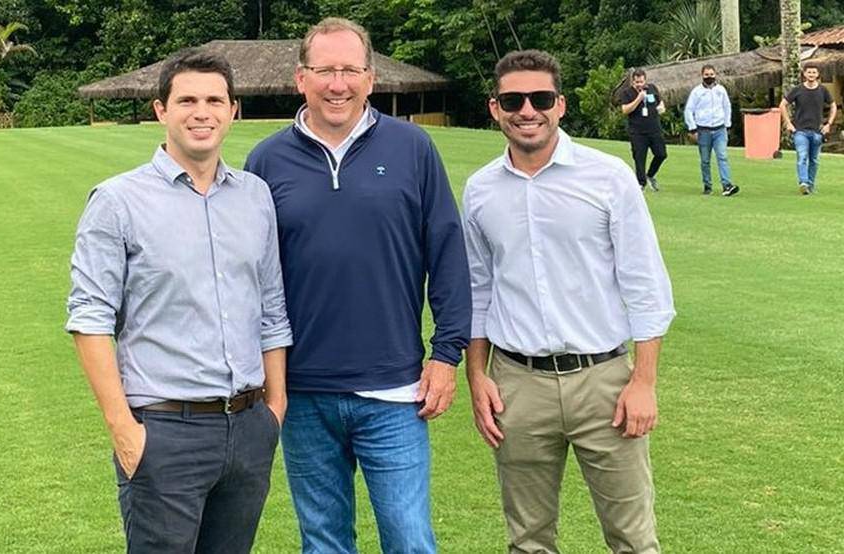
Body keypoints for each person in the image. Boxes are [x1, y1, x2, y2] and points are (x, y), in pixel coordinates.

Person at [244, 17, 471, 554]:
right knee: (323, 543)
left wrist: (446, 354)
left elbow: (446, 253)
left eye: (350, 70)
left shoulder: (413, 148)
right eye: (325, 70)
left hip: (394, 389)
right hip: (303, 391)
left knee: (409, 540)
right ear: (301, 78)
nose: (337, 84)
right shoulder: (266, 161)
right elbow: (250, 277)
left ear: (371, 77)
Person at [65, 50, 292, 553]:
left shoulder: (255, 197)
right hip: (165, 433)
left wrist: (274, 409)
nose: (201, 112)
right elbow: (89, 319)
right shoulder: (118, 202)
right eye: (187, 100)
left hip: (249, 428)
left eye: (214, 100)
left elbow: (272, 311)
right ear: (160, 110)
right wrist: (124, 430)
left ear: (233, 111)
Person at [464, 49, 675, 554]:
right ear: (495, 109)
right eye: (513, 101)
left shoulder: (608, 177)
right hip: (517, 384)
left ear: (560, 105)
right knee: (528, 542)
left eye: (540, 99)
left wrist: (644, 382)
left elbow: (645, 282)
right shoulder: (480, 190)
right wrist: (476, 375)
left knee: (633, 540)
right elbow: (477, 289)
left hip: (603, 381)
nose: (527, 111)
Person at [779, 63, 837, 195]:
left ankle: (810, 186)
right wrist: (788, 123)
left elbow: (833, 105)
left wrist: (829, 124)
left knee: (814, 160)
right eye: (809, 72)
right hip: (800, 131)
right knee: (802, 157)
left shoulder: (823, 90)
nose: (811, 74)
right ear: (804, 74)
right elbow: (782, 105)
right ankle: (803, 183)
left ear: (818, 74)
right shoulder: (797, 89)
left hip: (817, 132)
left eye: (814, 72)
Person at [684, 64, 739, 196]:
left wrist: (727, 123)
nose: (709, 77)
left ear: (715, 75)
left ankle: (727, 185)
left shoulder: (721, 90)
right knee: (705, 160)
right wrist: (692, 128)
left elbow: (727, 106)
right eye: (707, 75)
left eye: (711, 74)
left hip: (719, 129)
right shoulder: (697, 92)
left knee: (722, 156)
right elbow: (689, 110)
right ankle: (707, 185)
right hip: (703, 130)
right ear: (702, 76)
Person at [618, 68, 667, 191]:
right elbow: (625, 110)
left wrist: (661, 107)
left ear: (645, 81)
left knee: (661, 154)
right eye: (636, 82)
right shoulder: (627, 93)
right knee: (639, 158)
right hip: (637, 132)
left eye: (641, 82)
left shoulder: (652, 88)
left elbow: (660, 102)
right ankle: (641, 183)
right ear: (632, 82)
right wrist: (639, 99)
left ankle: (650, 175)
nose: (639, 85)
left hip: (654, 129)